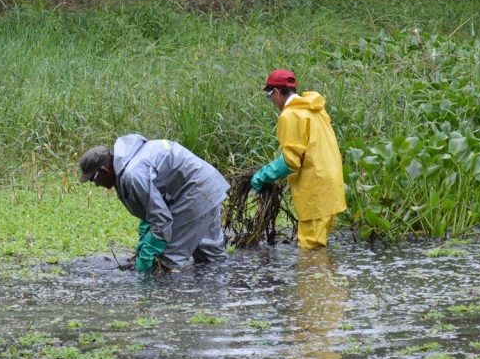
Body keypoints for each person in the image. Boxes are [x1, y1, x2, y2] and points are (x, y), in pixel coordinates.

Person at [79, 134, 230, 273]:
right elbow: (152, 208)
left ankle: (168, 301)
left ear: (104, 170)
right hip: (209, 184)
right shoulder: (129, 160)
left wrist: (147, 255)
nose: (96, 185)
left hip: (196, 193)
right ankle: (216, 300)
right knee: (212, 259)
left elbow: (162, 221)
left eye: (93, 179)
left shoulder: (132, 175)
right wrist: (145, 239)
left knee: (165, 262)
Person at [250, 69, 347, 249]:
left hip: (315, 194)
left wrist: (263, 175)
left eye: (269, 96)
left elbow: (291, 161)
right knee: (319, 251)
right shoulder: (315, 109)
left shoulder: (290, 115)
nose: (272, 102)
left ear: (277, 93)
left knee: (311, 253)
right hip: (331, 190)